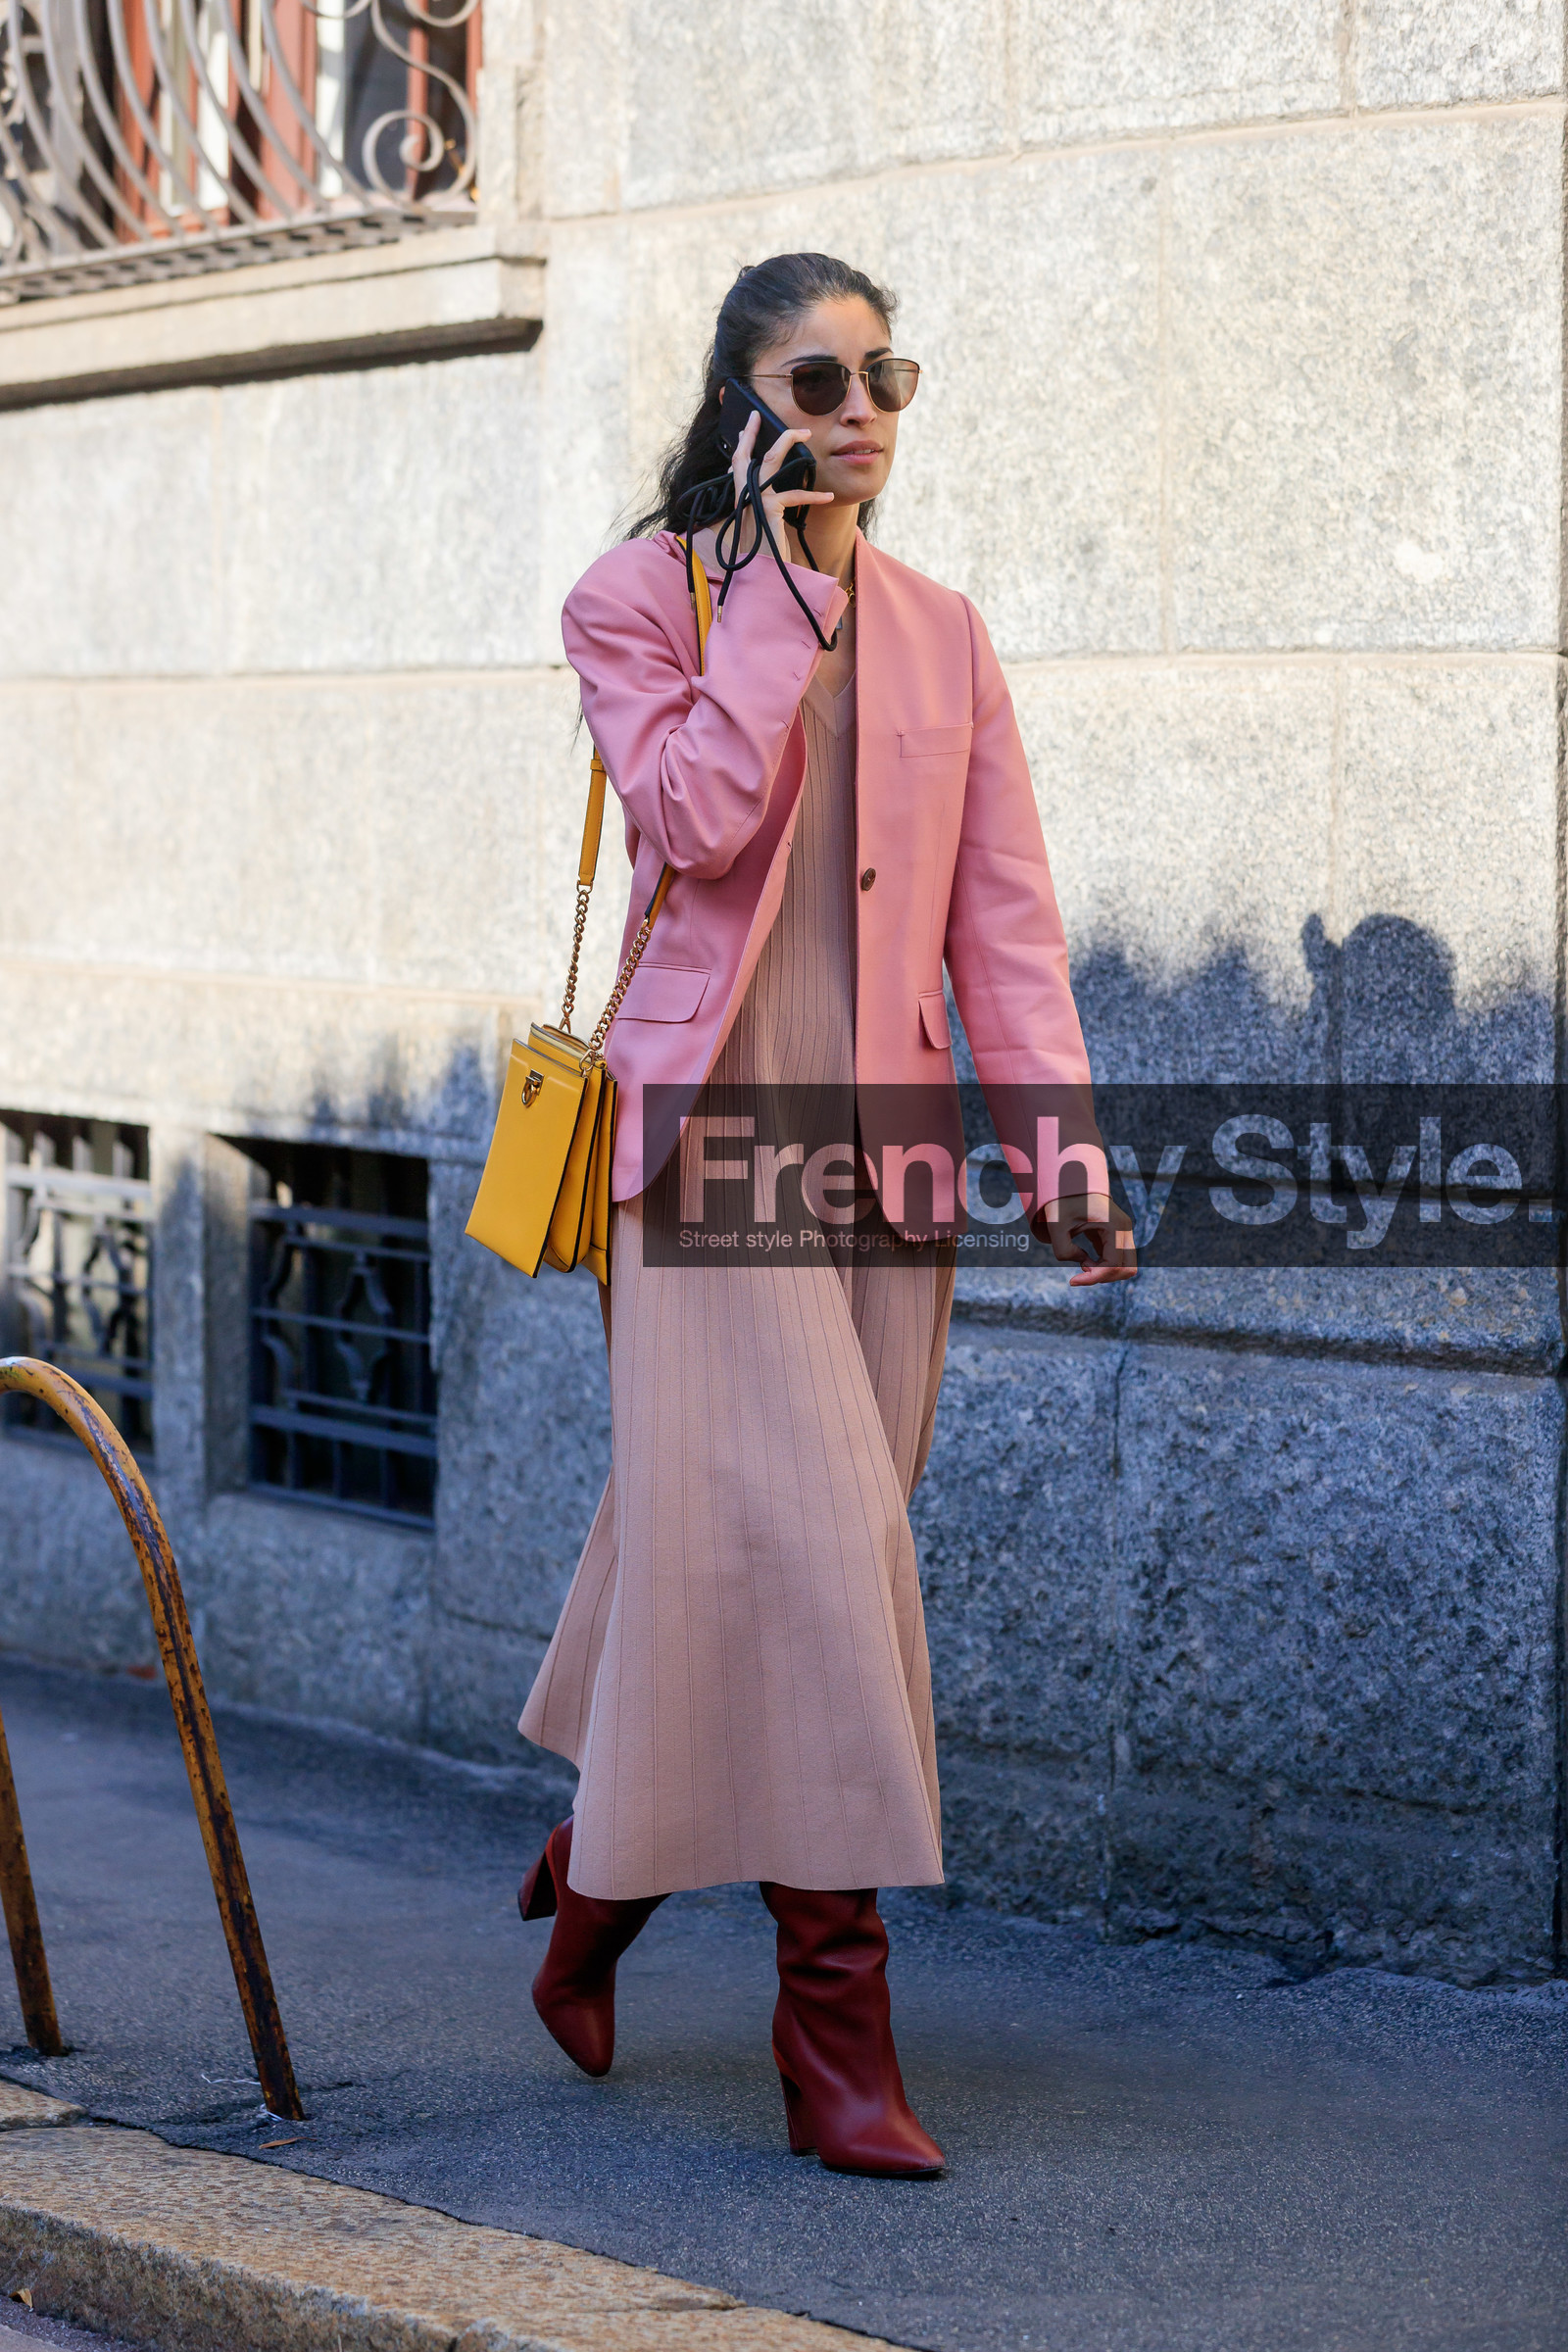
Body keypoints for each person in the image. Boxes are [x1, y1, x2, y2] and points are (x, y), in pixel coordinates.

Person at [514, 251, 1135, 2180]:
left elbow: (1001, 927)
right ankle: (833, 2040)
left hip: (879, 1167)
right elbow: (694, 820)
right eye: (821, 377)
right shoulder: (640, 599)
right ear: (745, 401)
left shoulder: (947, 634)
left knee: (732, 1548)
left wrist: (1060, 1148)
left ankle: (601, 1877)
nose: (861, 408)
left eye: (889, 376)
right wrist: (780, 593)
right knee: (825, 1556)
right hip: (703, 1143)